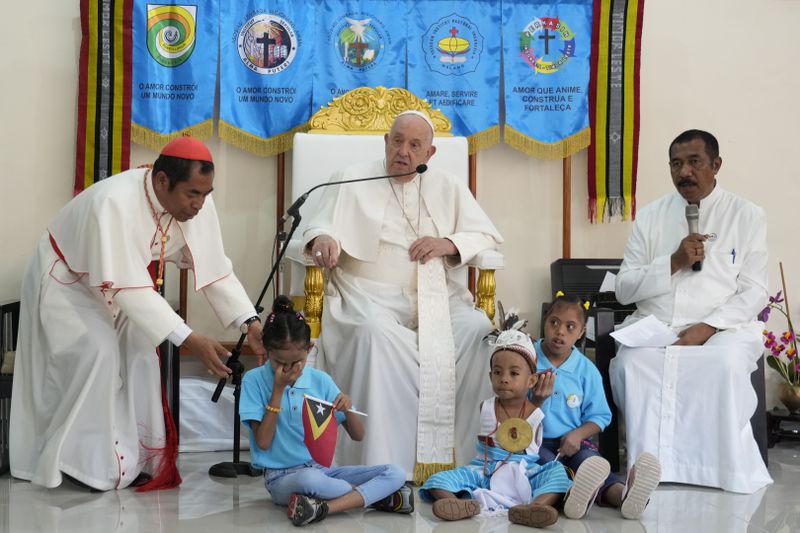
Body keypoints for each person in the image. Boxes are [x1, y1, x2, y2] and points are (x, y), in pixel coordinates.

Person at [10, 137, 266, 491]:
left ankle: (136, 459)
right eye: (192, 194)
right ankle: (79, 464)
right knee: (97, 352)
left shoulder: (198, 205)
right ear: (162, 181)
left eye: (206, 194)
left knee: (142, 353)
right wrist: (191, 338)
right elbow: (130, 290)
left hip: (122, 286)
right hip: (68, 279)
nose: (199, 204)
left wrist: (248, 321)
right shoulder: (113, 202)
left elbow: (215, 269)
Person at [302, 110, 503, 482]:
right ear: (385, 142)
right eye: (397, 141)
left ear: (430, 153)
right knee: (372, 334)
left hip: (437, 295)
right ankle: (383, 465)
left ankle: (462, 461)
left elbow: (487, 236)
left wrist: (448, 243)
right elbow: (316, 225)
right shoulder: (351, 178)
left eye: (415, 145)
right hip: (365, 294)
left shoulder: (448, 187)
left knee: (476, 327)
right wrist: (324, 238)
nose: (404, 151)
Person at [610, 129, 773, 493]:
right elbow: (623, 289)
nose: (684, 172)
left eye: (694, 162)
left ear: (716, 165)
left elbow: (755, 291)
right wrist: (674, 261)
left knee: (724, 364)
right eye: (676, 164)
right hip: (658, 326)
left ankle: (720, 471)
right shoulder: (650, 217)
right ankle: (648, 470)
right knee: (633, 365)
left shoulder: (746, 215)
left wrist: (709, 327)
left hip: (723, 330)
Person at [239, 296, 413, 527]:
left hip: (323, 472)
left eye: (297, 362)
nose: (289, 369)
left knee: (396, 472)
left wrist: (348, 408)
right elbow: (262, 442)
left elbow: (358, 435)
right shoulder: (254, 380)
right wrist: (278, 390)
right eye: (280, 362)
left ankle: (323, 508)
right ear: (267, 350)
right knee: (309, 480)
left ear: (309, 349)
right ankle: (378, 497)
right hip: (281, 478)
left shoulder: (320, 380)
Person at [419, 329, 574, 528]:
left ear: (531, 381)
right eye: (498, 372)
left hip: (524, 472)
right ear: (490, 376)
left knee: (558, 473)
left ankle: (535, 507)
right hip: (484, 470)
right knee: (437, 479)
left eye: (514, 373)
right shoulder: (487, 407)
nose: (504, 378)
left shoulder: (536, 413)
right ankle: (457, 504)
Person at [535, 294, 661, 520]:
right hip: (536, 442)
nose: (560, 331)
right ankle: (574, 493)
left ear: (581, 332)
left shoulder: (586, 370)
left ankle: (625, 495)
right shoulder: (528, 358)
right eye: (554, 322)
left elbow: (601, 416)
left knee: (591, 466)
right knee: (545, 468)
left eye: (570, 327)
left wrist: (577, 435)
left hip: (575, 441)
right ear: (545, 321)